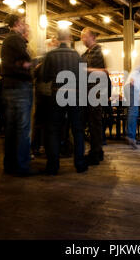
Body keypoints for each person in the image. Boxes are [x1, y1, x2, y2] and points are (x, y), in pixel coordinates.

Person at [42, 28, 88, 175]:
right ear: (68, 38)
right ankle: (80, 164)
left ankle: (53, 166)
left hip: (57, 94)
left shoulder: (50, 55)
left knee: (54, 130)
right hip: (75, 95)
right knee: (77, 130)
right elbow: (83, 78)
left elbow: (44, 77)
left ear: (57, 38)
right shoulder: (77, 55)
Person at [0, 14, 34, 176]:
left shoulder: (7, 40)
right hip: (20, 88)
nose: (24, 26)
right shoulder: (16, 39)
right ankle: (21, 166)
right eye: (23, 23)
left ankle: (10, 165)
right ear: (17, 23)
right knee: (22, 129)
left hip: (9, 87)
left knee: (11, 128)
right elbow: (26, 61)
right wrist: (31, 64)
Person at [80, 27, 107, 165]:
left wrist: (86, 70)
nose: (82, 39)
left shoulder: (99, 52)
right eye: (81, 36)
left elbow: (105, 71)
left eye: (84, 36)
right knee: (91, 124)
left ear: (92, 37)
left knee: (94, 124)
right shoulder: (85, 54)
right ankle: (97, 151)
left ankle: (96, 154)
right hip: (86, 92)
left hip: (95, 91)